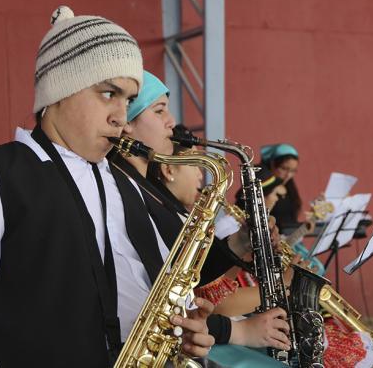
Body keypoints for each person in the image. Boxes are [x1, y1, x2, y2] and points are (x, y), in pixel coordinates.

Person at [0, 6, 213, 368]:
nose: (121, 116)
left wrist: (177, 335)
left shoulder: (117, 180)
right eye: (108, 93)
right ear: (58, 90)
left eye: (129, 100)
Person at [108, 70, 293, 353]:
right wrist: (237, 331)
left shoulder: (148, 186)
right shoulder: (119, 190)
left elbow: (188, 271)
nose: (171, 122)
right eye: (159, 111)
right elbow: (155, 294)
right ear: (127, 124)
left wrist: (239, 242)